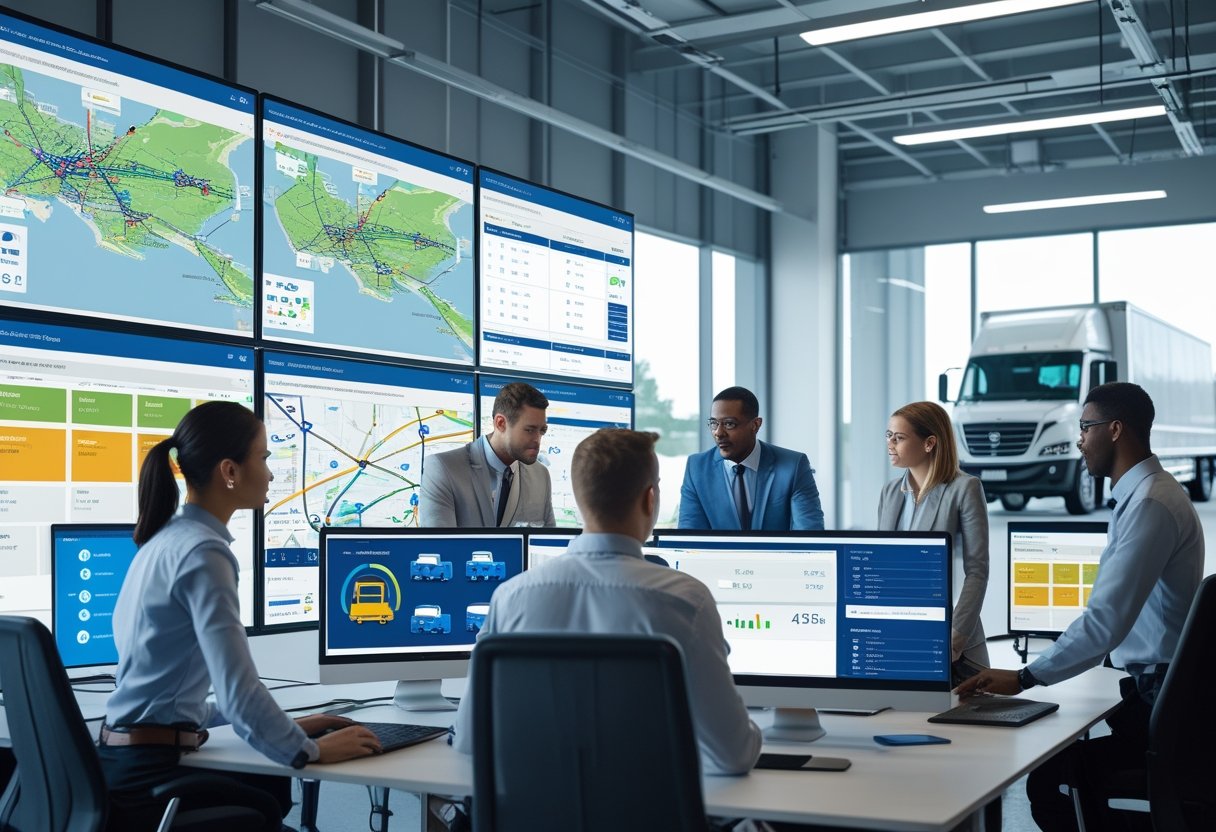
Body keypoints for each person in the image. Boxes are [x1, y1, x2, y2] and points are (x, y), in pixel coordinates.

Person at [100, 402, 381, 831]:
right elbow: (237, 693)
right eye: (264, 458)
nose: (270, 473)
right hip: (150, 780)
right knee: (267, 802)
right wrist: (313, 750)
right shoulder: (204, 553)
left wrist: (289, 725)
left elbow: (170, 702)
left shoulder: (166, 540)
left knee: (265, 795)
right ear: (229, 471)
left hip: (124, 763)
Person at [957, 382, 1203, 832]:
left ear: (1114, 430)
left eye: (1085, 427)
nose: (1079, 440)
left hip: (1159, 699)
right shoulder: (1146, 497)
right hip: (1156, 691)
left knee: (1051, 776)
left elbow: (1105, 619)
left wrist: (1025, 676)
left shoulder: (1150, 504)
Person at [453, 428, 762, 775]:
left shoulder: (511, 598)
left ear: (581, 497)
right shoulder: (685, 601)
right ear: (650, 498)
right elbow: (732, 756)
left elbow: (467, 740)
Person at [877, 401, 989, 675]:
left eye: (899, 437)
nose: (890, 443)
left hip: (948, 635)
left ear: (929, 443)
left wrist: (957, 633)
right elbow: (880, 566)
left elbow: (977, 572)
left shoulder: (965, 489)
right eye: (888, 435)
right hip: (895, 630)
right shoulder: (890, 492)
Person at [679, 386, 824, 531]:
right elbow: (688, 538)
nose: (718, 433)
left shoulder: (794, 466)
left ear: (755, 425)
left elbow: (810, 536)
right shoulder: (696, 468)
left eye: (729, 424)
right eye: (714, 423)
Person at [420, 381, 554, 527]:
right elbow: (438, 546)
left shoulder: (541, 476)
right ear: (501, 423)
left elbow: (549, 545)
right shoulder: (443, 469)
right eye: (529, 430)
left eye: (542, 431)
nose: (537, 439)